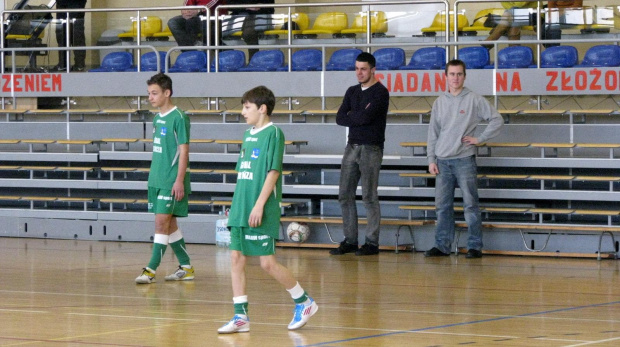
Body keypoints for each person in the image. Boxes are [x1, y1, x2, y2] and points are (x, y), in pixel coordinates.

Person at [218, 86, 318, 334]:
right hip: (242, 205)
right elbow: (244, 174)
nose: (243, 112)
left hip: (260, 205)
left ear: (262, 108)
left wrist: (259, 204)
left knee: (267, 263)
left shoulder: (274, 133)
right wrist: (236, 205)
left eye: (247, 107)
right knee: (236, 257)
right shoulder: (247, 135)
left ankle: (304, 301)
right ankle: (240, 317)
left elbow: (273, 172)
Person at [424, 59, 504, 259]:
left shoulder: (474, 99)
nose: (455, 78)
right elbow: (432, 133)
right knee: (442, 207)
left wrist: (480, 139)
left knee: (470, 205)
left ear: (464, 76)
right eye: (452, 74)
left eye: (459, 74)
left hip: (464, 160)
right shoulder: (439, 102)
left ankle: (475, 246)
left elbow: (497, 119)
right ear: (446, 76)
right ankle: (442, 246)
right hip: (442, 161)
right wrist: (431, 159)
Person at [135, 73, 194, 284]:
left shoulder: (179, 117)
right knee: (169, 225)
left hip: (171, 180)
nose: (150, 97)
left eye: (154, 93)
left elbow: (183, 151)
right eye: (149, 93)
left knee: (161, 224)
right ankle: (186, 267)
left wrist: (179, 180)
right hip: (156, 179)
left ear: (167, 93)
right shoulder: (157, 118)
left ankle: (150, 270)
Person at [329, 52, 390, 257]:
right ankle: (351, 240)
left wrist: (352, 116)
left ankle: (372, 242)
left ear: (373, 70)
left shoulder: (380, 92)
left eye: (363, 69)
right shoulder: (352, 91)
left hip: (371, 148)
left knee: (369, 196)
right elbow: (339, 118)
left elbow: (365, 118)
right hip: (351, 147)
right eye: (356, 68)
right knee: (344, 195)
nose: (359, 72)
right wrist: (357, 116)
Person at [52, 0, 87, 72]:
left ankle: (79, 65)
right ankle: (63, 64)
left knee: (76, 33)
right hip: (61, 3)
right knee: (61, 33)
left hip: (76, 3)